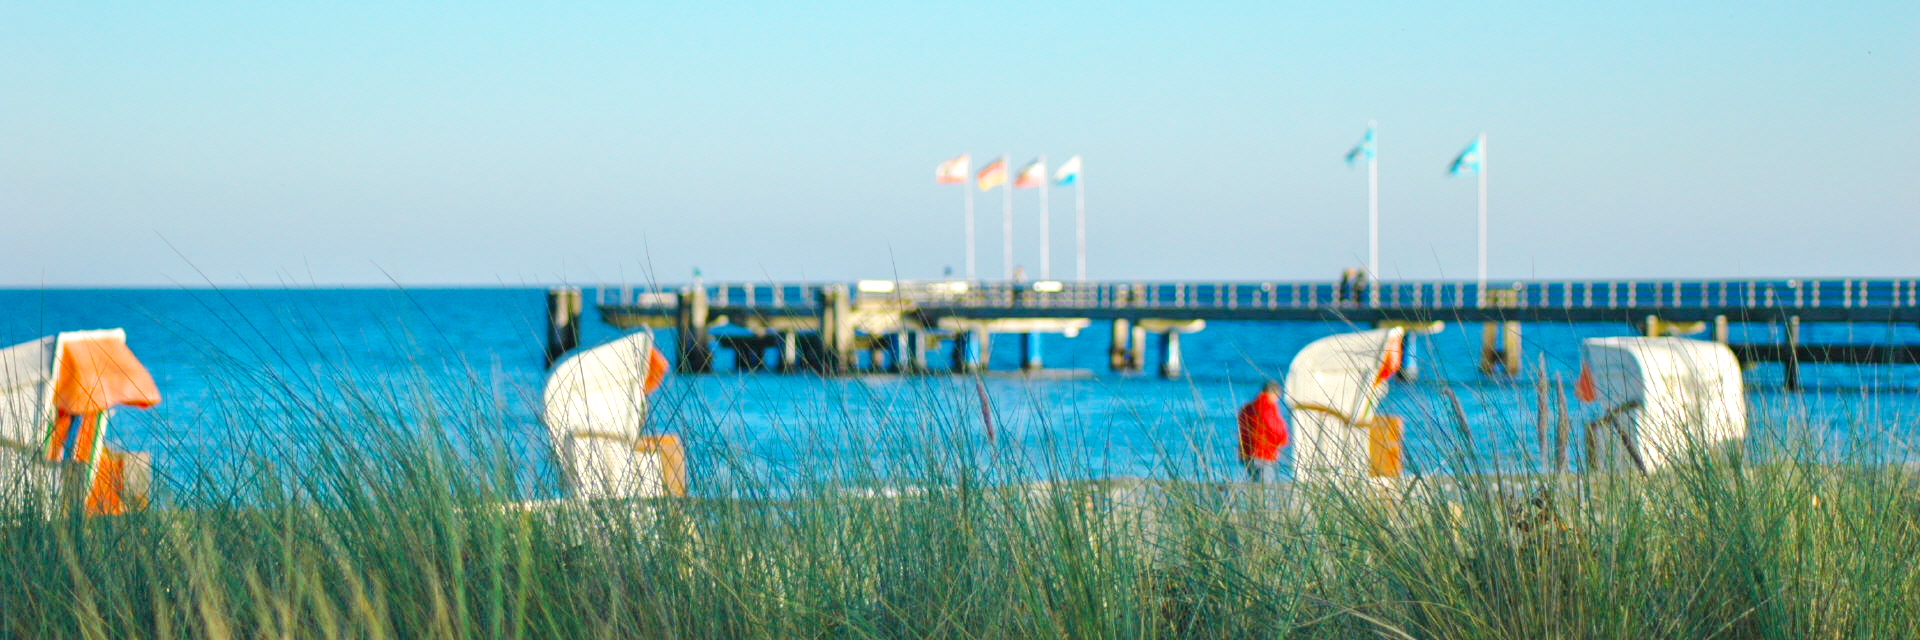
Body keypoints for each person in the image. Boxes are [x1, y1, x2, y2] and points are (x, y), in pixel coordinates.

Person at [1238, 381, 1289, 483]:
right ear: (1275, 394)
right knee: (1265, 489)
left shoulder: (1247, 408)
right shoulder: (1268, 407)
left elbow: (1242, 432)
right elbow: (1274, 428)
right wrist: (1283, 439)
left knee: (1256, 487)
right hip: (1264, 454)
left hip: (1248, 454)